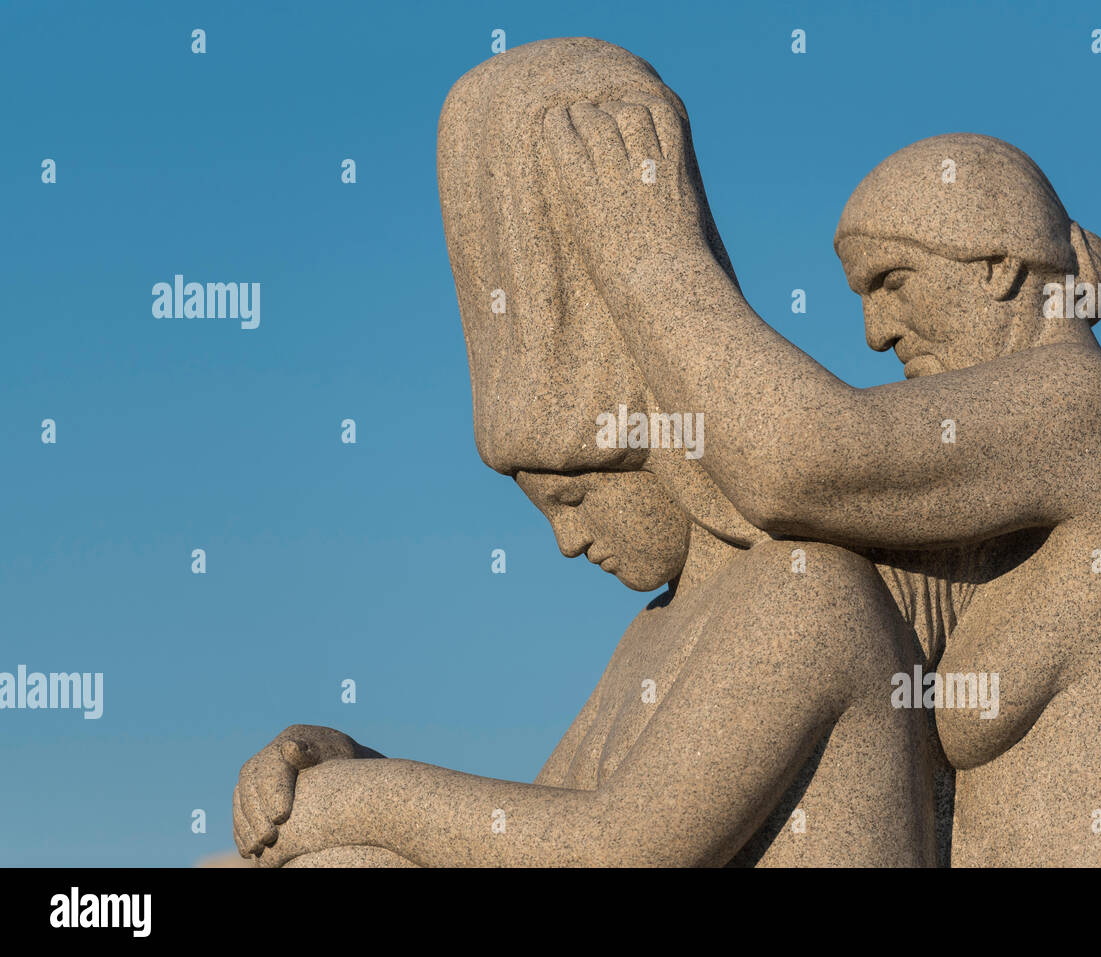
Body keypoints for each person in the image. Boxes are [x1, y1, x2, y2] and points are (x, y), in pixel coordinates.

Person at [232, 38, 942, 868]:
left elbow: (617, 848)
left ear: (664, 445)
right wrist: (347, 759)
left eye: (570, 497)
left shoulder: (805, 596)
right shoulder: (654, 636)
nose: (568, 541)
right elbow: (520, 837)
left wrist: (361, 799)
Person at [541, 99, 1101, 864]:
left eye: (892, 281)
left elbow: (800, 458)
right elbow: (762, 496)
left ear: (997, 265)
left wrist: (648, 261)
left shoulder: (1097, 405)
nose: (875, 330)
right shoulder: (993, 491)